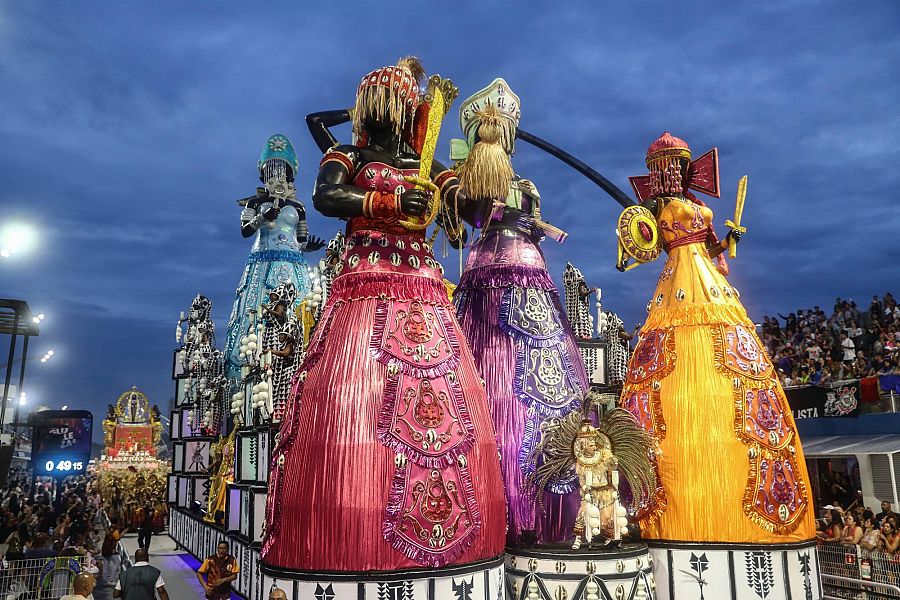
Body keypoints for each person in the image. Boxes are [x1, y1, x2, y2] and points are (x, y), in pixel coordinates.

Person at [262, 58, 505, 575]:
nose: (400, 112)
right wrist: (387, 198)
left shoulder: (428, 164)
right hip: (365, 284)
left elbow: (475, 212)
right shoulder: (347, 153)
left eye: (406, 104)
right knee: (357, 404)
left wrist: (481, 162)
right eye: (393, 102)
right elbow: (326, 196)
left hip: (422, 285)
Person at [618, 133, 815, 555]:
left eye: (676, 166)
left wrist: (729, 242)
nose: (671, 174)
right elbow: (642, 245)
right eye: (665, 167)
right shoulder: (658, 208)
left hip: (707, 285)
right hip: (678, 290)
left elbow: (713, 248)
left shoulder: (693, 207)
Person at [451, 78, 587, 545]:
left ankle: (548, 513)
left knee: (539, 384)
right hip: (488, 279)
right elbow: (463, 219)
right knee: (491, 376)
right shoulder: (468, 184)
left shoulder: (526, 187)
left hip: (530, 275)